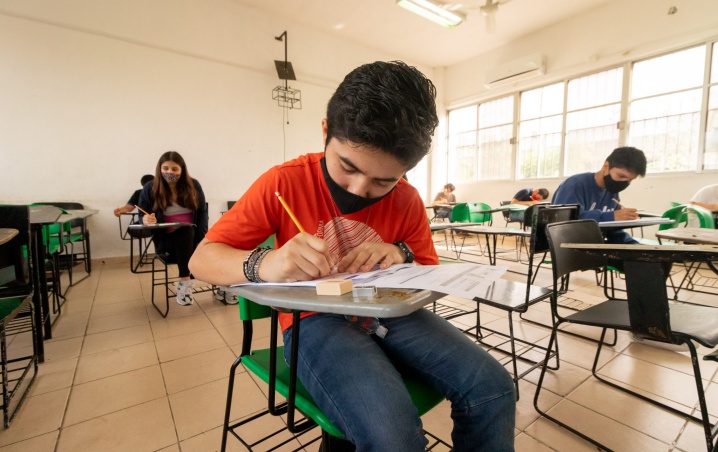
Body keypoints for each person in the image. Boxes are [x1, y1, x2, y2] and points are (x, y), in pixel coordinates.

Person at [189, 61, 515, 451]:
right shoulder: (283, 182)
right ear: (326, 131)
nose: (360, 190)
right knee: (391, 435)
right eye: (347, 166)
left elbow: (427, 267)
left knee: (493, 389)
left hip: (392, 313)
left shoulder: (407, 199)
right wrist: (265, 263)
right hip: (314, 321)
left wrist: (399, 252)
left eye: (384, 181)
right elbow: (201, 260)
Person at [138, 151, 207, 305]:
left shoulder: (193, 185)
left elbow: (202, 213)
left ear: (182, 170)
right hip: (166, 241)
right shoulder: (150, 188)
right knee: (185, 231)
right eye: (166, 168)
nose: (170, 172)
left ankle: (224, 286)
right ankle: (185, 282)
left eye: (174, 169)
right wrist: (146, 219)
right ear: (159, 169)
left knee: (210, 240)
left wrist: (202, 241)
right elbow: (141, 216)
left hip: (192, 238)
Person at [552, 146, 646, 244]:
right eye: (621, 176)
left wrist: (634, 245)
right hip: (568, 248)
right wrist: (611, 217)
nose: (624, 183)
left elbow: (614, 231)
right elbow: (565, 223)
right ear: (606, 166)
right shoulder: (575, 185)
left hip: (595, 247)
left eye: (630, 180)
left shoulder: (612, 192)